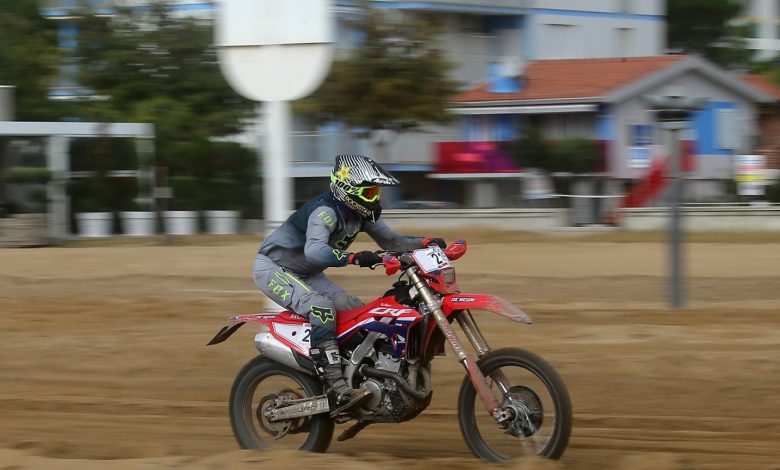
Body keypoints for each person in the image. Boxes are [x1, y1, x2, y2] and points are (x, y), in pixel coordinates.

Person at [253, 154, 445, 412]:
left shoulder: (359, 213)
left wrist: (425, 243)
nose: (375, 197)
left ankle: (357, 373)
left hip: (307, 273)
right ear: (347, 189)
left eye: (375, 191)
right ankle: (335, 384)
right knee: (321, 306)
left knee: (352, 307)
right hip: (274, 268)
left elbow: (391, 241)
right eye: (369, 192)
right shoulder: (326, 213)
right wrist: (353, 257)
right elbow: (314, 251)